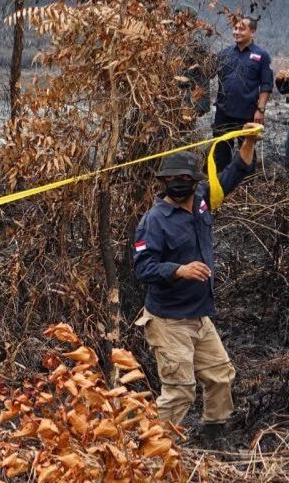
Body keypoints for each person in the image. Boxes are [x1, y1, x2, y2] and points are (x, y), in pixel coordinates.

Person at [132, 123, 262, 447]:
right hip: (169, 320)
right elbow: (143, 267)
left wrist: (249, 140)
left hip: (199, 315)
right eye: (171, 181)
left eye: (183, 180)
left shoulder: (203, 201)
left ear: (194, 182)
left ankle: (213, 437)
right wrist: (180, 270)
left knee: (220, 375)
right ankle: (151, 452)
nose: (177, 185)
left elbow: (237, 170)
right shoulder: (154, 221)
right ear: (163, 182)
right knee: (179, 392)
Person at [212, 17, 273, 171]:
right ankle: (221, 184)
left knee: (246, 151)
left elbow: (266, 85)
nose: (236, 32)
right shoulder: (224, 54)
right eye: (235, 29)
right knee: (220, 152)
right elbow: (206, 73)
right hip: (223, 112)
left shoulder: (261, 56)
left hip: (247, 114)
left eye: (241, 29)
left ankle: (247, 184)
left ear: (252, 32)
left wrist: (261, 110)